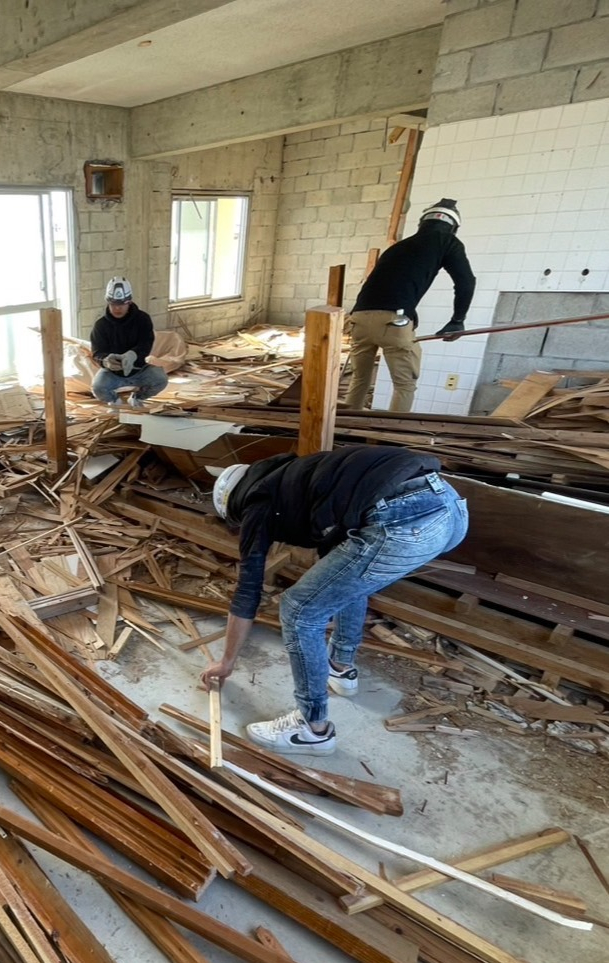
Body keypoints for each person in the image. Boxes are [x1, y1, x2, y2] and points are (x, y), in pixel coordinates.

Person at [198, 445, 468, 756]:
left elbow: (249, 589)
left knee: (298, 611)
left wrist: (226, 662)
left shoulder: (257, 503)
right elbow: (338, 567)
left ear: (235, 504)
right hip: (450, 507)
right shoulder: (297, 478)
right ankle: (340, 667)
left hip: (404, 518)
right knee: (346, 583)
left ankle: (312, 730)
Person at [344, 198, 476, 413]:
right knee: (405, 385)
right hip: (393, 321)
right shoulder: (447, 242)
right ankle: (388, 438)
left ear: (422, 223)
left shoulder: (398, 247)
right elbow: (466, 281)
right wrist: (457, 320)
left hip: (359, 318)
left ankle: (343, 430)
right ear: (453, 227)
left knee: (360, 379)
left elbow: (391, 282)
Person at [90, 276, 167, 408]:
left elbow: (146, 343)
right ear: (108, 302)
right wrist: (106, 361)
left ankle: (137, 398)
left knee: (160, 379)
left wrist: (133, 355)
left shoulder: (142, 319)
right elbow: (97, 352)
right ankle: (114, 401)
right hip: (112, 373)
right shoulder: (101, 325)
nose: (117, 308)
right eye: (113, 304)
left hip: (139, 369)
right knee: (98, 387)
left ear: (129, 302)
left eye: (121, 304)